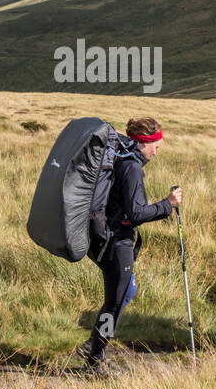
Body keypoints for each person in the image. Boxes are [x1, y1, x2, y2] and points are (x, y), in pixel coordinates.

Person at [76, 117, 181, 373]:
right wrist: (168, 204)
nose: (157, 151)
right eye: (156, 145)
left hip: (104, 238)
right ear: (144, 142)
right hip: (117, 242)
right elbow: (136, 213)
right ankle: (95, 355)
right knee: (116, 301)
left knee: (124, 294)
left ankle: (94, 348)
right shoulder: (132, 168)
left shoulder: (121, 158)